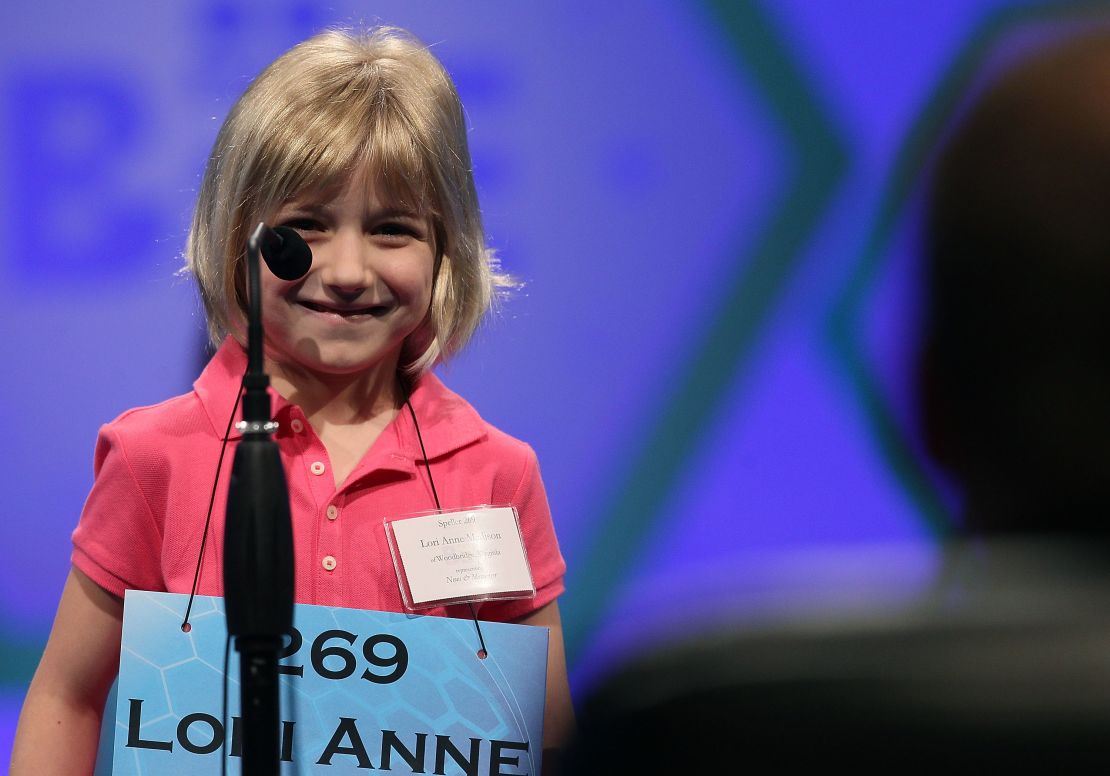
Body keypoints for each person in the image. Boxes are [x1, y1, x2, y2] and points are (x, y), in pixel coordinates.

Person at [11, 27, 572, 773]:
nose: (345, 270)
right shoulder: (156, 458)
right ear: (237, 239)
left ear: (446, 249)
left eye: (391, 230)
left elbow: (549, 735)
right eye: (304, 227)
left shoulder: (497, 473)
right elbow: (67, 697)